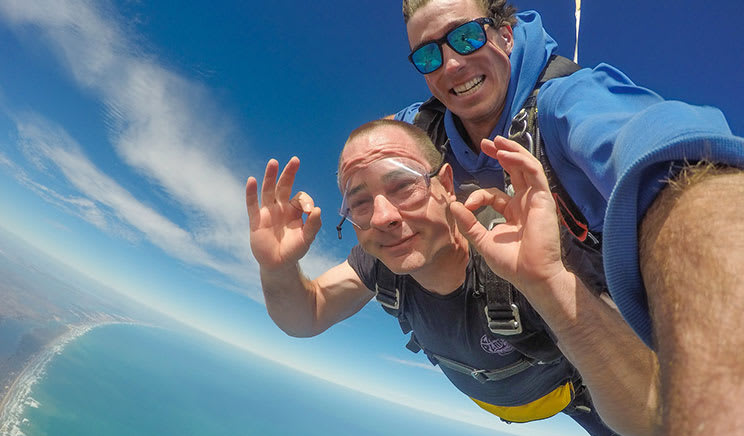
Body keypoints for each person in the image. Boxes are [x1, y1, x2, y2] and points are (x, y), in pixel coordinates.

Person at [394, 1, 744, 434]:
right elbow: (380, 140)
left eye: (466, 37)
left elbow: (672, 164)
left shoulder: (568, 104)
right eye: (428, 55)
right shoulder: (426, 128)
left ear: (505, 34)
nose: (450, 64)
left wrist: (720, 397)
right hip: (533, 361)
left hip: (602, 362)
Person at [246, 119, 657, 435]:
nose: (385, 217)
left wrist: (549, 282)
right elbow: (307, 315)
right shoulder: (381, 267)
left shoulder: (517, 253)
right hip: (505, 397)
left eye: (404, 187)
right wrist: (277, 267)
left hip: (576, 395)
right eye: (360, 203)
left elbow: (653, 411)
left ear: (445, 185)